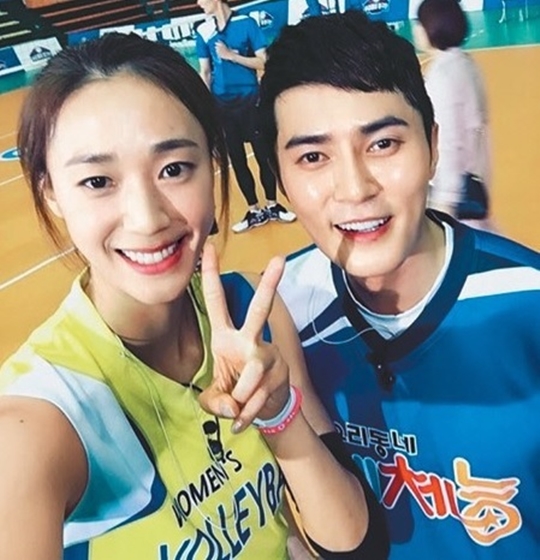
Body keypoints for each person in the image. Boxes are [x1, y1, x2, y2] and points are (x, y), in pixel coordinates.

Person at [0, 32, 389, 559]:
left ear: (213, 162)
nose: (147, 218)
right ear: (51, 192)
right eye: (97, 181)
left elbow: (356, 546)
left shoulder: (249, 313)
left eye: (174, 169)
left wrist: (278, 413)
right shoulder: (37, 422)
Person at [258, 11, 540, 559]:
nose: (354, 188)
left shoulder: (526, 306)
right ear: (280, 178)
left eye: (383, 144)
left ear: (433, 146)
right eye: (313, 157)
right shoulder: (275, 318)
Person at [195, 0, 296, 233]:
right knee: (238, 160)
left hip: (251, 101)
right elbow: (205, 72)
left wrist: (232, 56)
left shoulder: (246, 23)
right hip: (223, 106)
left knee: (263, 155)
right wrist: (205, 108)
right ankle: (254, 210)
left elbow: (264, 62)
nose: (198, 3)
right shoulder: (203, 30)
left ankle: (272, 205)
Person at [414, 0, 494, 230]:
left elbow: (449, 141)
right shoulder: (466, 64)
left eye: (420, 23)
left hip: (456, 192)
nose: (416, 29)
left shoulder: (442, 77)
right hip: (474, 178)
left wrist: (445, 202)